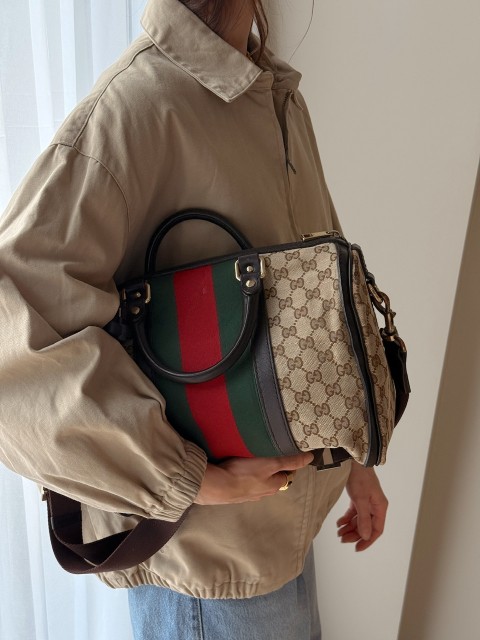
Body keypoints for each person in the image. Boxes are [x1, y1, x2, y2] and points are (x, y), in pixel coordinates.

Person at [0, 0, 388, 638]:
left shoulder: (273, 96)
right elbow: (16, 357)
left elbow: (322, 302)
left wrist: (356, 457)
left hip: (280, 532)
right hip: (206, 566)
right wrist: (187, 478)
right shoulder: (132, 112)